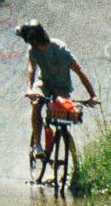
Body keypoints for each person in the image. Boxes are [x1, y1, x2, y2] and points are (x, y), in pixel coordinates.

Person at [17, 21, 96, 180]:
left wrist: (92, 95)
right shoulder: (33, 50)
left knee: (64, 121)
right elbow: (31, 69)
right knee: (37, 104)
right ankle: (38, 146)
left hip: (61, 88)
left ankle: (76, 164)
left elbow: (79, 70)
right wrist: (30, 88)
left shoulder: (59, 49)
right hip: (44, 84)